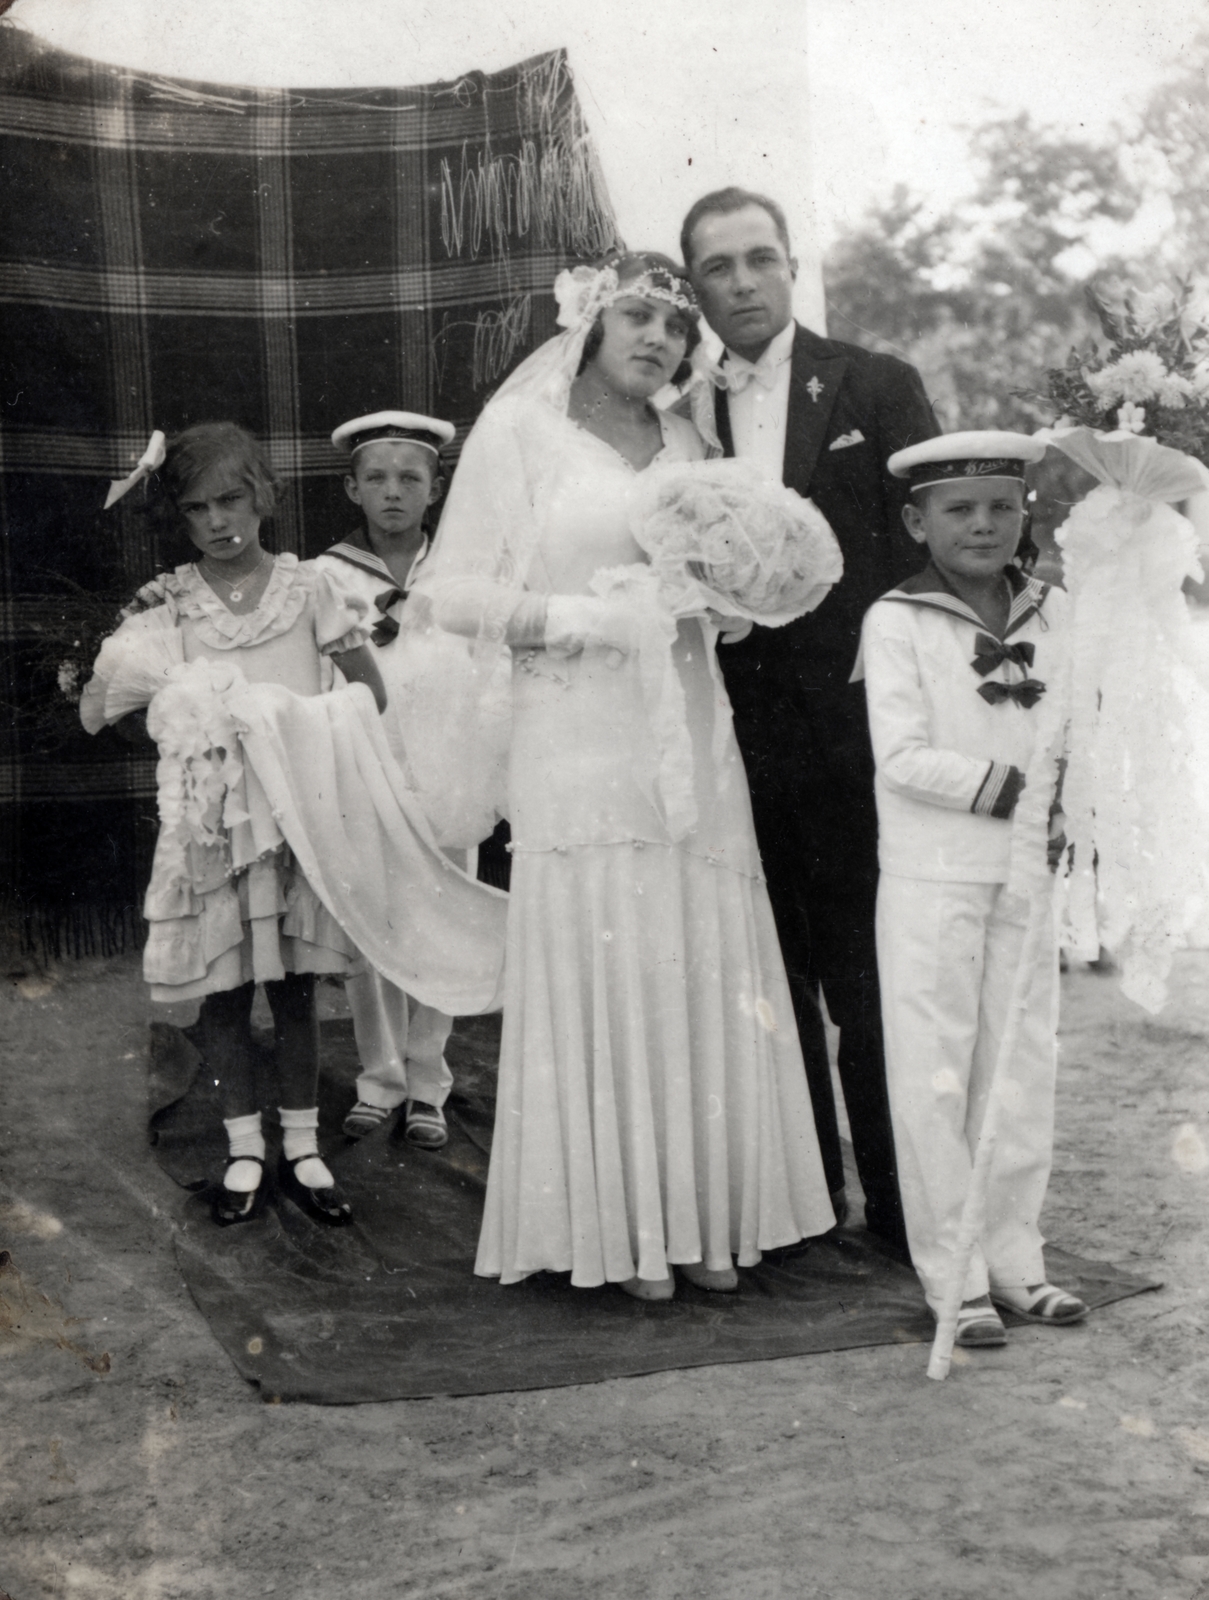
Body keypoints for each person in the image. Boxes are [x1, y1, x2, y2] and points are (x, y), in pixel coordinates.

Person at [417, 252, 836, 1299]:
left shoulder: (694, 443)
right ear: (592, 323)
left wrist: (731, 598)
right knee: (611, 939)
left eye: (677, 329)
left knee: (693, 946)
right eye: (640, 317)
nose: (659, 339)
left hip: (688, 724)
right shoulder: (523, 434)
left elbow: (720, 573)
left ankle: (699, 1220)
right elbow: (450, 594)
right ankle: (621, 1228)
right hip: (577, 725)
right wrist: (577, 617)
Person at [681, 186, 940, 1254]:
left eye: (759, 259)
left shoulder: (875, 384)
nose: (742, 283)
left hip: (852, 736)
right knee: (765, 980)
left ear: (791, 264)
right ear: (695, 289)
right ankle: (801, 1206)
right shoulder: (678, 412)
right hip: (732, 740)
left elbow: (923, 563)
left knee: (869, 981)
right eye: (717, 270)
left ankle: (897, 1202)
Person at [81, 422, 386, 1227]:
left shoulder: (311, 588)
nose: (218, 521)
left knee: (289, 988)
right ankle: (244, 1148)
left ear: (265, 498)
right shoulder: (172, 601)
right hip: (213, 828)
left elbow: (368, 696)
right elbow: (121, 709)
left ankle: (305, 1148)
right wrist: (182, 714)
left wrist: (287, 720)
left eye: (231, 500)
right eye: (196, 509)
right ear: (179, 520)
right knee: (221, 992)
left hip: (290, 820)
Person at [859, 431, 1088, 1346]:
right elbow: (904, 757)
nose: (983, 524)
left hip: (1025, 875)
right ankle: (951, 1275)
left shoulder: (1055, 611)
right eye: (959, 509)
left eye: (1001, 505)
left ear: (1023, 510)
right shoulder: (897, 620)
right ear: (918, 521)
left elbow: (1073, 726)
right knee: (936, 1076)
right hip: (932, 875)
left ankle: (1015, 1260)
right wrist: (1025, 799)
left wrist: (1072, 804)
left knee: (1020, 1067)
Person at [316, 410, 481, 1153]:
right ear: (351, 487)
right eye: (376, 478)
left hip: (449, 766)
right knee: (370, 930)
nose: (392, 492)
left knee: (441, 921)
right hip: (368, 767)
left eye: (409, 478)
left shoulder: (463, 567)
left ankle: (427, 1079)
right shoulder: (325, 574)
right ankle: (377, 1076)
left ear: (434, 488)